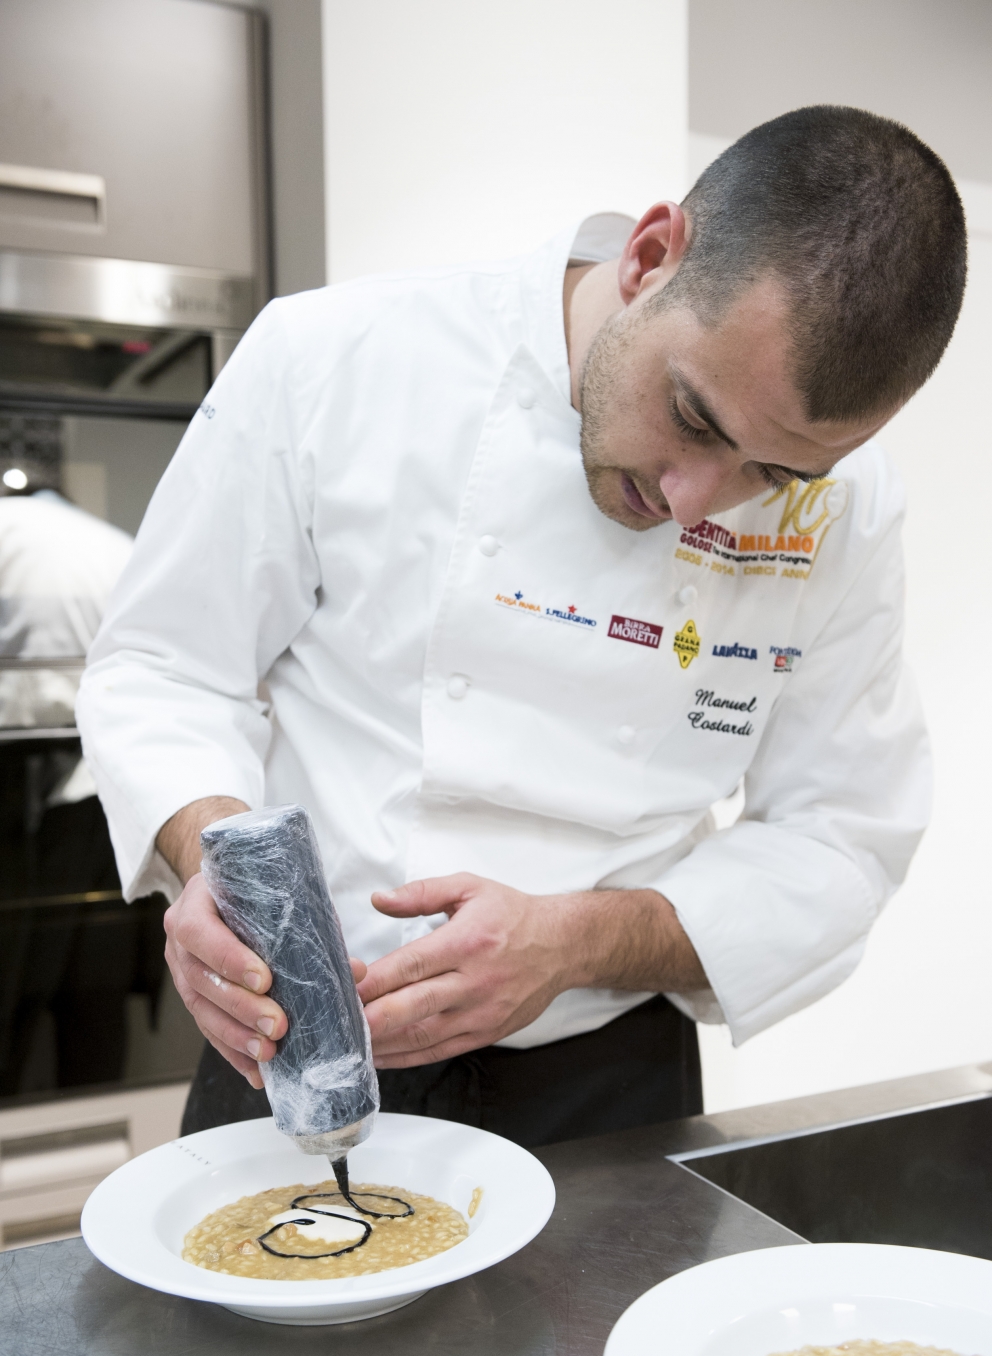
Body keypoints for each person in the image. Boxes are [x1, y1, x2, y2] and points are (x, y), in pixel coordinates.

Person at [78, 106, 964, 1146]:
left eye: (769, 474)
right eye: (691, 418)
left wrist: (578, 942)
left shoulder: (848, 509)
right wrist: (209, 871)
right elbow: (166, 668)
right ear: (647, 256)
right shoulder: (335, 357)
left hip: (607, 1081)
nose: (692, 503)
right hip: (295, 1035)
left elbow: (840, 835)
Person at [0, 474, 166, 1092]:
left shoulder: (8, 530)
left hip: (33, 784)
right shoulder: (115, 543)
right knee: (97, 976)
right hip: (116, 791)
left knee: (17, 979)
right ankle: (95, 1106)